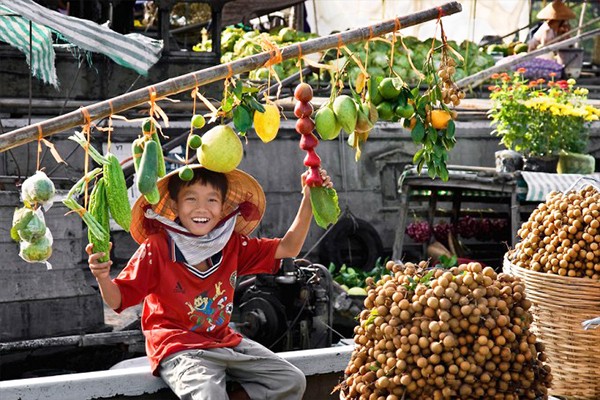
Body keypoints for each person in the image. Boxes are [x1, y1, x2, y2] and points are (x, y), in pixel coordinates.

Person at [87, 164, 333, 400]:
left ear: (223, 207)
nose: (201, 208)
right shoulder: (158, 247)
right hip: (178, 348)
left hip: (224, 340)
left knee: (291, 380)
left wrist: (309, 199)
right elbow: (117, 299)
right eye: (191, 199)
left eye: (212, 200)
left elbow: (288, 247)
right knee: (208, 394)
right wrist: (102, 276)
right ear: (175, 205)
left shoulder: (231, 243)